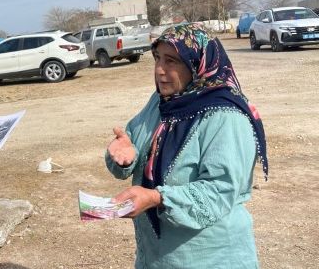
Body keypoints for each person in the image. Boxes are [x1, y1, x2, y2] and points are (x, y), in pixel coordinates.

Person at [105, 23, 268, 268]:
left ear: (197, 63)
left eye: (171, 61)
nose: (160, 70)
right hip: (158, 257)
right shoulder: (163, 102)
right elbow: (136, 144)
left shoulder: (225, 116)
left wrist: (156, 197)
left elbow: (220, 190)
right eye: (158, 58)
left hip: (210, 257)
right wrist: (127, 154)